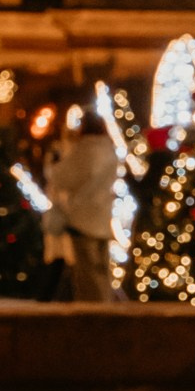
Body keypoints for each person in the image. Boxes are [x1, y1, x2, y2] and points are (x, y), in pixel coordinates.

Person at [46, 112, 119, 302]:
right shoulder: (109, 150)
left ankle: (93, 308)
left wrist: (55, 164)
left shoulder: (84, 151)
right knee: (102, 268)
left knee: (87, 271)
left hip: (82, 216)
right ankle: (105, 304)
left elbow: (61, 178)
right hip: (104, 215)